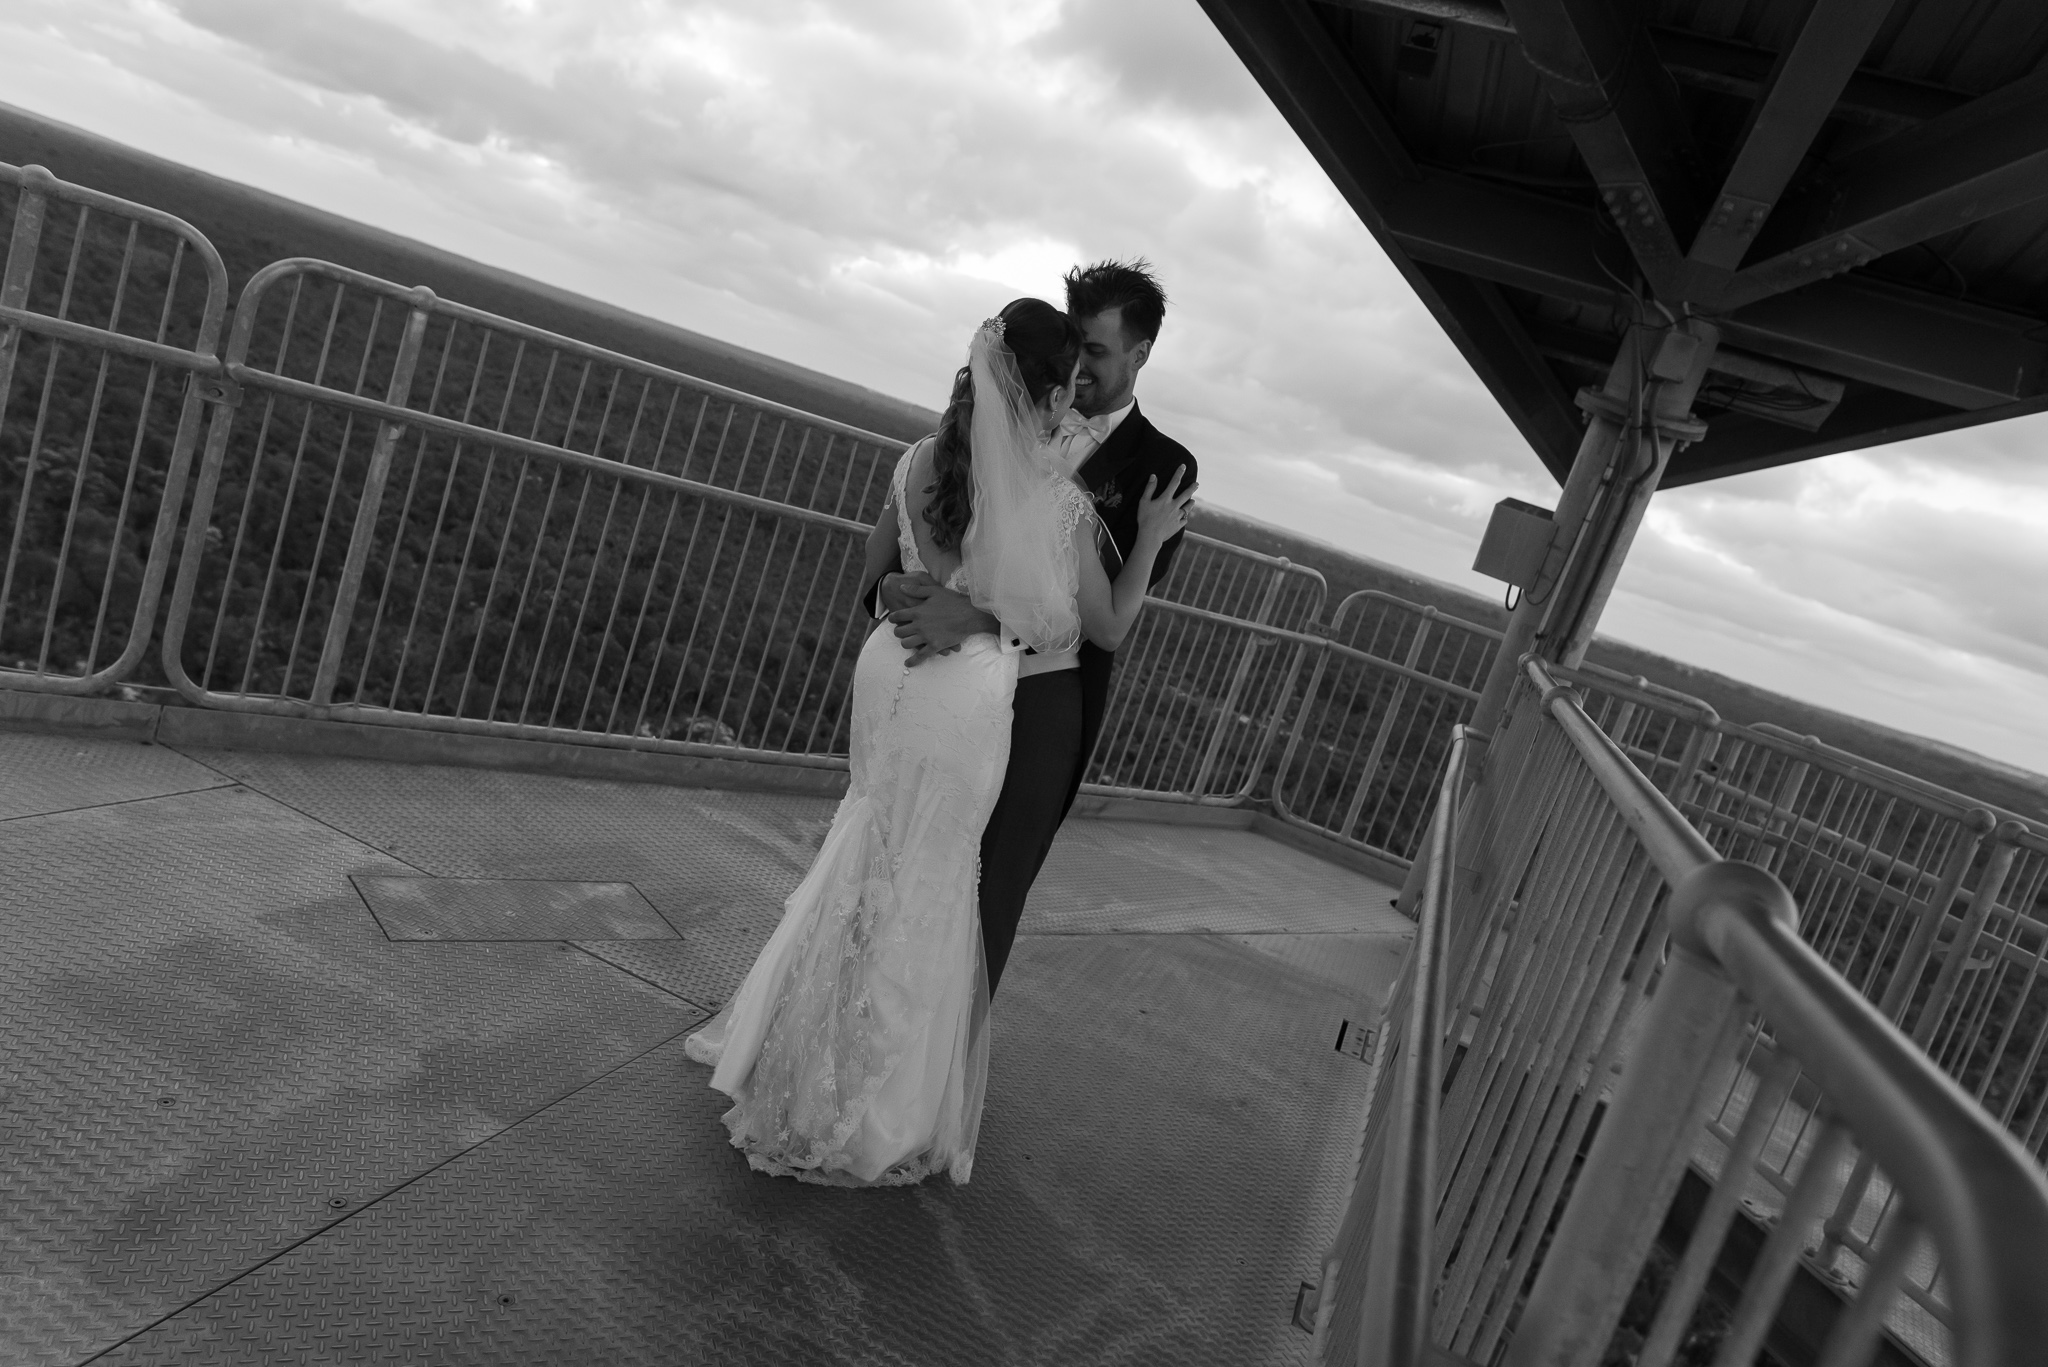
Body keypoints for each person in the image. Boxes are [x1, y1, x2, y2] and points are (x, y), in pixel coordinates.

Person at [684, 298, 1194, 1187]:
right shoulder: (1055, 502)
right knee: (930, 880)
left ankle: (797, 1053)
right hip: (963, 696)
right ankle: (879, 1103)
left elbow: (876, 574)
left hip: (889, 673)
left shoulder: (918, 459)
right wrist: (1147, 540)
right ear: (1041, 394)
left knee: (864, 847)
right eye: (1068, 382)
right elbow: (1098, 629)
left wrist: (906, 604)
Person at [873, 259, 1197, 996]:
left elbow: (1092, 619)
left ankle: (946, 1062)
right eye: (1074, 344)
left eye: (1099, 351)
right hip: (944, 687)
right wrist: (895, 591)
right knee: (906, 858)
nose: (1078, 367)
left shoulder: (1163, 468)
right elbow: (905, 548)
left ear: (1141, 354)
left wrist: (979, 615)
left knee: (995, 886)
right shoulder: (995, 415)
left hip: (1045, 701)